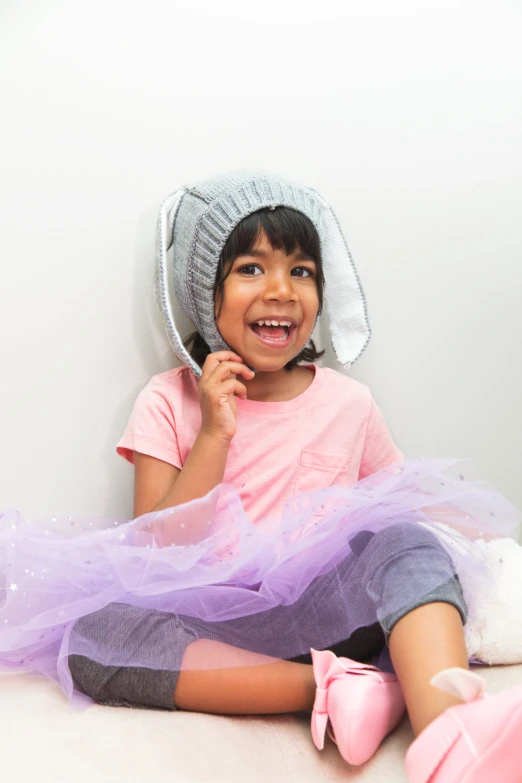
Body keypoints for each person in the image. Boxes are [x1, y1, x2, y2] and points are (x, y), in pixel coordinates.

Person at [1, 170, 521, 783]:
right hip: (214, 629)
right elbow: (156, 552)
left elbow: (403, 500)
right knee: (94, 634)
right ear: (205, 293)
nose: (281, 289)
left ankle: (451, 732)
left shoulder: (347, 403)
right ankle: (336, 691)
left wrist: (483, 554)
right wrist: (215, 434)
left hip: (322, 612)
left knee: (408, 543)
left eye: (301, 271)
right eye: (251, 268)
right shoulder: (168, 400)